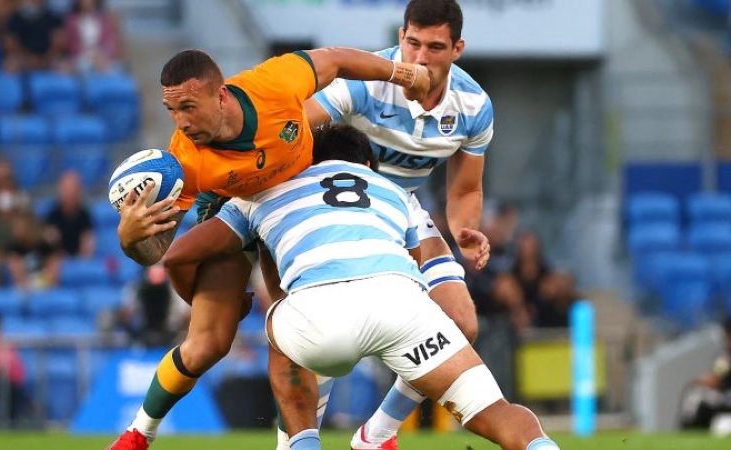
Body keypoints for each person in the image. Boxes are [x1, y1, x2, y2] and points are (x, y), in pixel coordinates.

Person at [106, 45, 430, 449]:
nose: (181, 122)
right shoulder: (185, 160)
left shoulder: (274, 84)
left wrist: (403, 73)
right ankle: (138, 433)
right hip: (234, 210)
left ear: (220, 95)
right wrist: (129, 239)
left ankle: (298, 442)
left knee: (294, 330)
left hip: (296, 202)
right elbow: (161, 254)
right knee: (207, 345)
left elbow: (336, 60)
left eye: (188, 107)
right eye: (171, 111)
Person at [163, 124, 559, 450]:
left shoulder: (270, 188)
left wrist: (201, 297)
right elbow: (416, 258)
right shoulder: (396, 193)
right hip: (403, 308)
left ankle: (303, 444)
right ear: (369, 164)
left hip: (318, 318)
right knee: (497, 411)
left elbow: (177, 256)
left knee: (279, 327)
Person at [301, 1, 492, 448]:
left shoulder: (473, 106)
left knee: (460, 322)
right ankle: (297, 439)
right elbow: (292, 128)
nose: (420, 58)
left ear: (457, 49)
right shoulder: (364, 81)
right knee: (322, 338)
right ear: (400, 37)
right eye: (412, 43)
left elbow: (464, 191)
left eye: (435, 47)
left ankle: (377, 435)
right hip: (336, 211)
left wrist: (464, 231)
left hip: (402, 208)